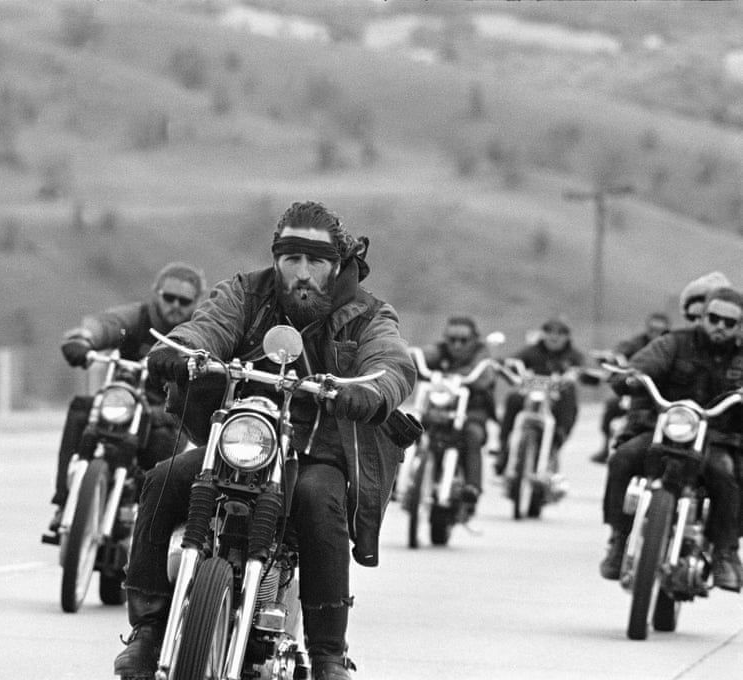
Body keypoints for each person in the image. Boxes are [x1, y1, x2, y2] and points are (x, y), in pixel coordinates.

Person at [111, 201, 416, 680]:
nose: (301, 272)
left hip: (318, 452)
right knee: (163, 478)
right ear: (277, 260)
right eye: (291, 259)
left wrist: (373, 391)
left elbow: (392, 361)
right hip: (242, 439)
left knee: (319, 501)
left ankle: (327, 656)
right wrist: (185, 349)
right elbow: (208, 324)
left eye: (314, 261)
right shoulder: (245, 292)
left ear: (336, 265)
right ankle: (148, 633)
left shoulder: (368, 314)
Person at [45, 262, 206, 536]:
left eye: (184, 300)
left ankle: (147, 521)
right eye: (169, 297)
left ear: (195, 302)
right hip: (123, 400)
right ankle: (63, 501)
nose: (175, 305)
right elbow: (109, 325)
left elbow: (213, 349)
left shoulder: (198, 330)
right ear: (156, 293)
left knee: (165, 450)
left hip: (166, 412)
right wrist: (84, 339)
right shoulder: (138, 318)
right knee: (82, 410)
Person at [598, 287, 743, 591]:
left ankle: (725, 552)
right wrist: (632, 376)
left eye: (729, 323)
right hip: (662, 428)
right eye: (714, 318)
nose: (720, 326)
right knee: (622, 458)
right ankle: (618, 538)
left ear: (739, 326)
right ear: (702, 318)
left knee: (726, 475)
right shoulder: (674, 343)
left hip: (716, 437)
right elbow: (642, 366)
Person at [419, 316, 496, 513]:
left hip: (472, 411)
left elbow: (485, 375)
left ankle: (472, 487)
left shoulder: (482, 354)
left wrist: (465, 376)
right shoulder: (440, 351)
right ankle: (396, 479)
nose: (457, 345)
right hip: (440, 408)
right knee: (412, 427)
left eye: (463, 340)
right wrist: (407, 357)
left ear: (474, 339)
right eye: (452, 339)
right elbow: (425, 356)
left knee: (472, 434)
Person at [493, 316, 585, 476]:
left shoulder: (574, 356)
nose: (554, 337)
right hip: (532, 396)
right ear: (543, 334)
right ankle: (504, 447)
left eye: (560, 333)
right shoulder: (532, 351)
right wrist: (504, 365)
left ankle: (554, 446)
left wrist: (575, 375)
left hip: (557, 400)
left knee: (569, 401)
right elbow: (515, 363)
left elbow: (586, 371)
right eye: (549, 332)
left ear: (567, 337)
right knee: (513, 399)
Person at [590, 312, 671, 464]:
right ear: (647, 328)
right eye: (652, 329)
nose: (655, 333)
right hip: (636, 392)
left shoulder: (671, 345)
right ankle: (605, 447)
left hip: (664, 397)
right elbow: (622, 351)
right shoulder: (637, 343)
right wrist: (615, 358)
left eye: (660, 330)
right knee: (611, 406)